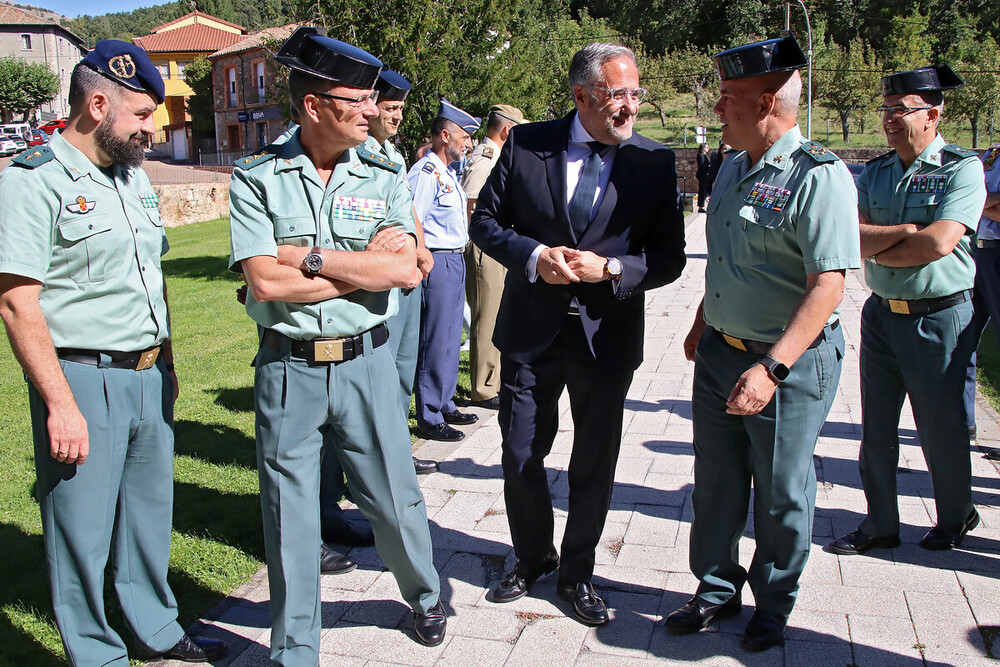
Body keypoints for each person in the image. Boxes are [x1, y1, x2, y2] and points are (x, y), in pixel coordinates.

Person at [0, 41, 227, 665]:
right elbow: (18, 303)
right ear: (97, 104)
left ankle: (156, 629)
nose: (151, 130)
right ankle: (96, 651)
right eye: (140, 116)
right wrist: (59, 405)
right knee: (80, 529)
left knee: (150, 517)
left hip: (149, 375)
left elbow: (150, 280)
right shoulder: (32, 181)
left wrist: (171, 362)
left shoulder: (129, 177)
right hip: (82, 379)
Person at [228, 27, 446, 663]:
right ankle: (296, 646)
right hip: (287, 370)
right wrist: (355, 266)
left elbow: (406, 268)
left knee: (393, 496)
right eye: (359, 99)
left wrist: (310, 260)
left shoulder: (381, 171)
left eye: (375, 99)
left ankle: (426, 595)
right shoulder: (258, 176)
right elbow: (264, 281)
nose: (373, 110)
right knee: (288, 514)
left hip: (367, 363)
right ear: (315, 105)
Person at [470, 42, 686, 626]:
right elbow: (484, 222)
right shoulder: (526, 143)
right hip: (530, 332)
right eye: (619, 95)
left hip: (605, 338)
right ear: (582, 96)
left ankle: (578, 572)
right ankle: (531, 556)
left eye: (636, 93)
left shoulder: (652, 161)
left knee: (595, 460)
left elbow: (670, 259)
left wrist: (613, 269)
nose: (631, 107)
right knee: (520, 452)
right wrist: (535, 254)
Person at [666, 35, 859, 652]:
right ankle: (716, 590)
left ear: (770, 102)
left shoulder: (819, 178)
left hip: (787, 362)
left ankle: (773, 604)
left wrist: (772, 367)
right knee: (717, 482)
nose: (718, 109)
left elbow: (828, 284)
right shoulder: (732, 165)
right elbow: (729, 261)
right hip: (722, 350)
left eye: (730, 97)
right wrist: (702, 320)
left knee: (779, 491)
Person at [829, 64, 986, 557]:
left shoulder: (962, 170)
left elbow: (939, 243)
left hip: (940, 316)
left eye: (900, 110)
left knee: (940, 427)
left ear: (932, 115)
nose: (889, 118)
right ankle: (879, 524)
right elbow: (850, 239)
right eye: (886, 110)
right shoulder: (873, 171)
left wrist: (884, 244)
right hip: (881, 315)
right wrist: (903, 236)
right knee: (875, 427)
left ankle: (956, 514)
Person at [407, 99, 480, 441]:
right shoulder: (426, 172)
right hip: (436, 261)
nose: (469, 144)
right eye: (465, 137)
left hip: (454, 258)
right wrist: (424, 258)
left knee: (452, 336)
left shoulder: (447, 173)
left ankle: (445, 400)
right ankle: (430, 413)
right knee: (436, 338)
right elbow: (413, 217)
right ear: (445, 135)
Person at [461, 104, 527, 410]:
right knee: (486, 317)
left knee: (496, 313)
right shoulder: (486, 160)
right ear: (507, 130)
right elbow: (472, 204)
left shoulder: (495, 157)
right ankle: (484, 389)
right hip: (484, 248)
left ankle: (493, 380)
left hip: (495, 245)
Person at [968, 142, 1000, 458]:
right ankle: (964, 423)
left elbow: (973, 200)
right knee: (963, 339)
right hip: (978, 252)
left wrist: (979, 202)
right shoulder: (991, 154)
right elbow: (965, 198)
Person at [695, 141, 711, 212]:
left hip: (705, 175)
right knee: (702, 190)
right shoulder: (700, 155)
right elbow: (702, 165)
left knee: (704, 191)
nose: (708, 149)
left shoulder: (704, 155)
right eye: (707, 147)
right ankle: (700, 207)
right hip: (702, 175)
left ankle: (702, 205)